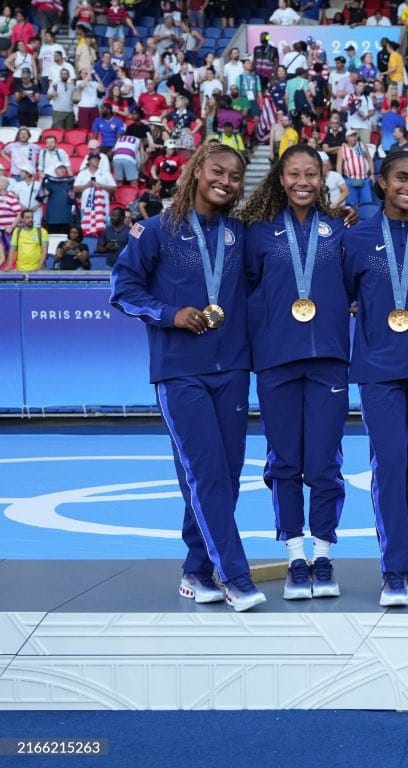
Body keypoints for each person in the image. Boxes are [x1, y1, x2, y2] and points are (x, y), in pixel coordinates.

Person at [109, 142, 264, 611]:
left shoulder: (240, 233)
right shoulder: (155, 229)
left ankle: (196, 572)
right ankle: (236, 577)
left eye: (236, 177)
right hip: (180, 371)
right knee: (205, 473)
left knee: (226, 476)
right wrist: (170, 314)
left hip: (233, 368)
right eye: (218, 171)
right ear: (197, 171)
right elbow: (122, 289)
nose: (227, 181)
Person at [238, 145, 349, 603]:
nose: (303, 181)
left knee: (324, 463)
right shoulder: (257, 233)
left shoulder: (341, 231)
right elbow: (244, 287)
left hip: (328, 360)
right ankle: (295, 556)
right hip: (277, 360)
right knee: (284, 462)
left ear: (322, 179)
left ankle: (323, 555)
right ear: (280, 180)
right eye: (294, 174)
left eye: (311, 173)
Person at [342, 150, 408, 606]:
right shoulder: (357, 238)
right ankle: (394, 568)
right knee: (390, 463)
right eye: (402, 177)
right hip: (379, 371)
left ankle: (406, 556)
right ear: (382, 182)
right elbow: (345, 294)